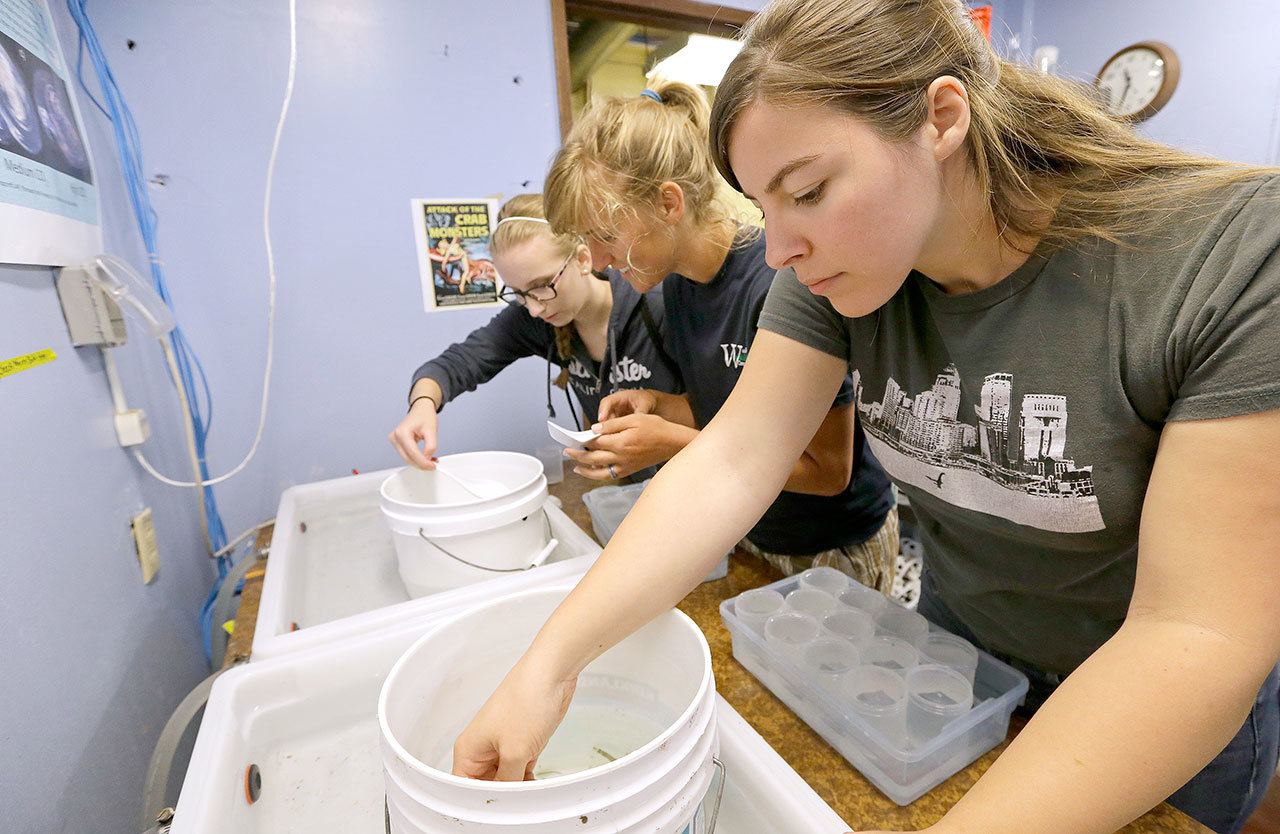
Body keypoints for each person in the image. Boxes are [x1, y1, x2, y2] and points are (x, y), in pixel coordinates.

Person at [450, 3, 1280, 833]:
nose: (776, 249)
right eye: (765, 206)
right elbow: (734, 460)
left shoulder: (1230, 258)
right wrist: (549, 665)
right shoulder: (834, 273)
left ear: (942, 118)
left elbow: (1193, 633)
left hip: (1155, 701)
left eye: (808, 192)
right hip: (967, 661)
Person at [542, 78, 899, 591]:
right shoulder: (676, 291)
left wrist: (672, 443)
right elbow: (740, 409)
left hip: (831, 544)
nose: (597, 261)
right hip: (753, 527)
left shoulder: (778, 284)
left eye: (605, 236)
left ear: (669, 204)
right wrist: (660, 406)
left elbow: (827, 470)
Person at [390, 193, 681, 470]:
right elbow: (458, 362)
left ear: (582, 260)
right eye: (518, 293)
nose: (533, 309)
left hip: (696, 471)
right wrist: (423, 403)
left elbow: (714, 411)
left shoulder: (656, 304)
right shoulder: (539, 318)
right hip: (629, 485)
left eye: (542, 285)